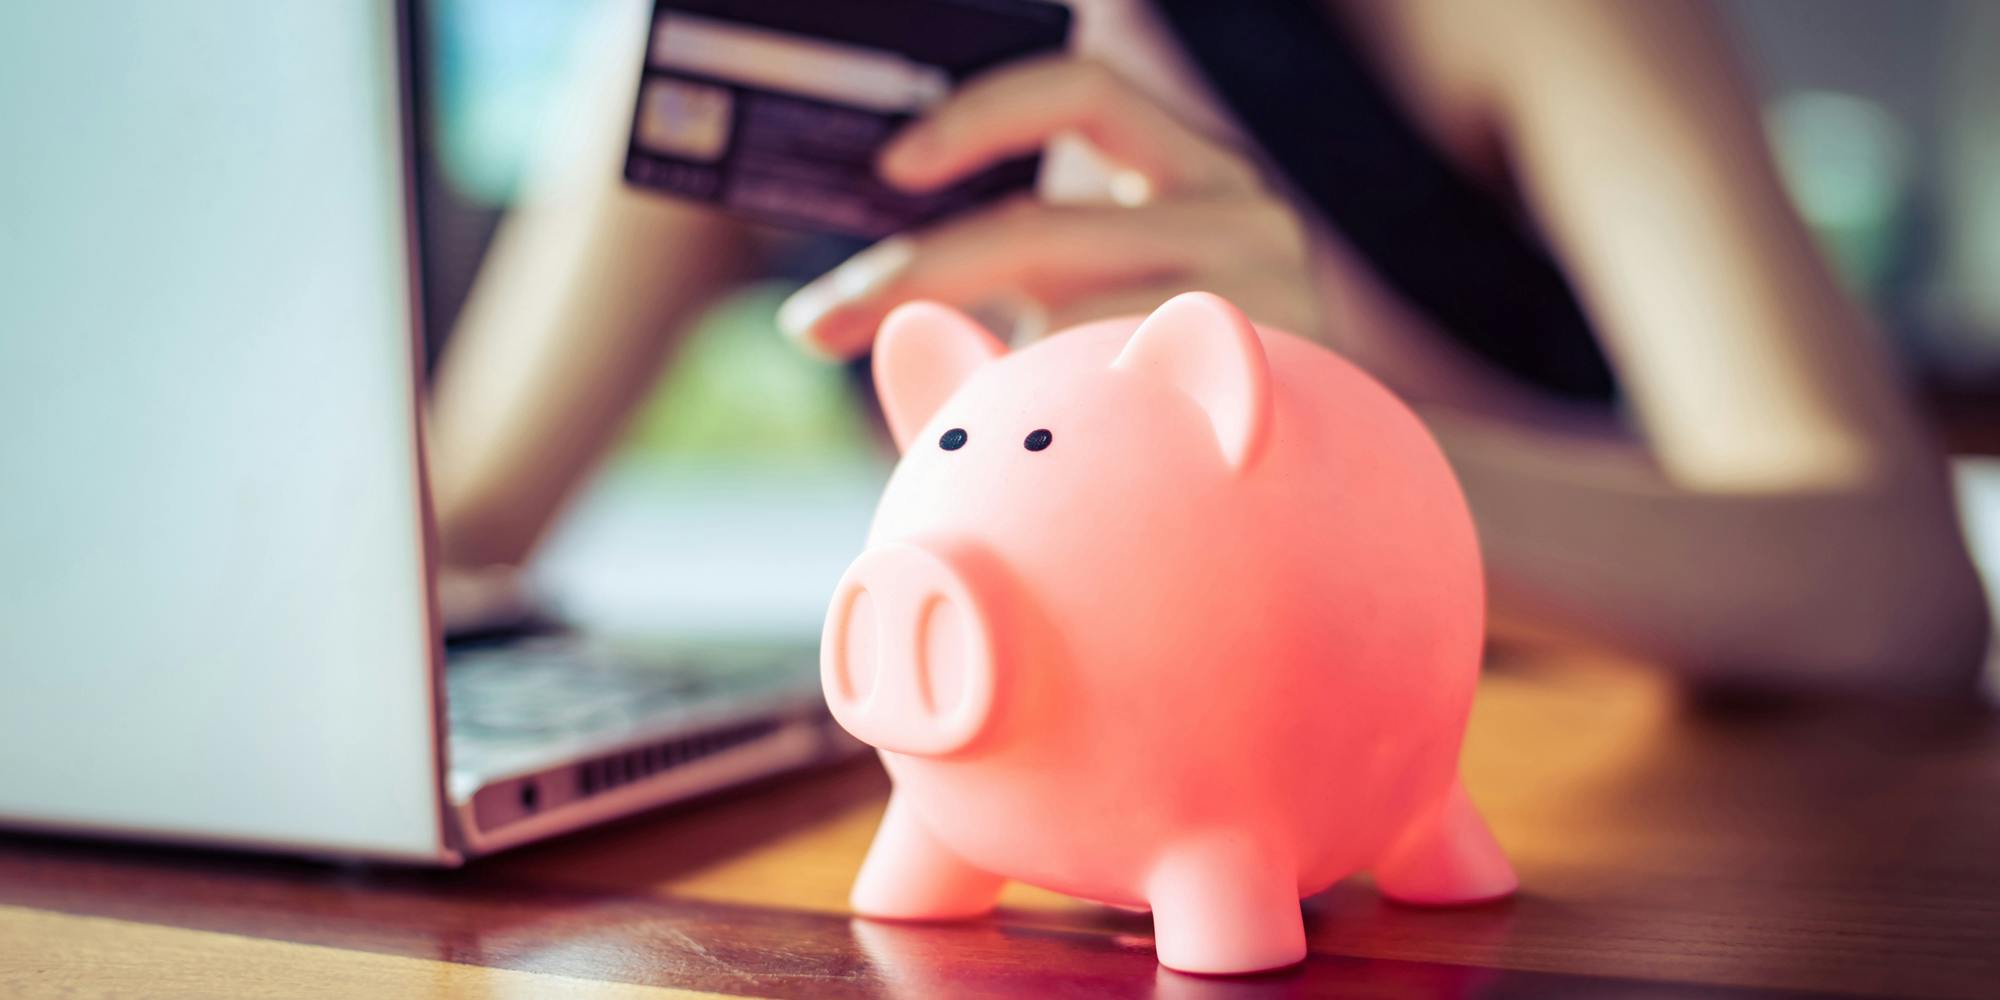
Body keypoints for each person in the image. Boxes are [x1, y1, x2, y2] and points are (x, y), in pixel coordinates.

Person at [428, 0, 1989, 696]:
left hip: (1574, 794)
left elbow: (1901, 589)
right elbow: (444, 540)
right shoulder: (714, 49)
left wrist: (1324, 458)